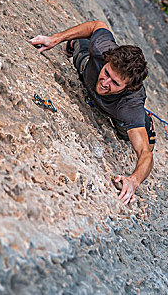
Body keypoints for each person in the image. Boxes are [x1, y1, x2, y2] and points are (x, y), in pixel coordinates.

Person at [30, 20, 155, 205]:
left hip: (117, 111)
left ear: (128, 87)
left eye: (115, 83)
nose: (105, 83)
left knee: (126, 133)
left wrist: (134, 180)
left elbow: (146, 152)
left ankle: (147, 121)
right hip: (88, 70)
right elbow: (96, 25)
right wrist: (55, 39)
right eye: (107, 73)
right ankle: (74, 46)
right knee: (81, 49)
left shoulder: (130, 106)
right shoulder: (103, 49)